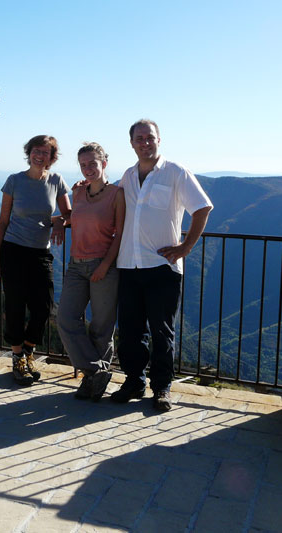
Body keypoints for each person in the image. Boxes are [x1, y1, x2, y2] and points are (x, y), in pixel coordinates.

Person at [111, 119, 213, 412]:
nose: (145, 142)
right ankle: (133, 381)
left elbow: (202, 208)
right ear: (131, 143)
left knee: (161, 330)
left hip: (162, 266)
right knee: (130, 330)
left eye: (150, 137)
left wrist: (186, 247)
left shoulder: (175, 172)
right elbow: (111, 204)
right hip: (129, 264)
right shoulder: (128, 176)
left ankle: (162, 388)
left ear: (159, 140)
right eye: (139, 138)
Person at [0, 135, 71, 386]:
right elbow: (3, 222)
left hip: (40, 253)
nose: (40, 156)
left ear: (52, 157)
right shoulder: (14, 181)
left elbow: (68, 214)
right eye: (36, 151)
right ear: (29, 153)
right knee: (15, 306)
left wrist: (59, 221)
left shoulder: (57, 181)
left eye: (45, 152)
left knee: (44, 307)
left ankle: (27, 351)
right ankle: (18, 359)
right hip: (13, 250)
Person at [57, 143, 125, 401]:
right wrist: (59, 221)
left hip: (103, 265)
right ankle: (98, 371)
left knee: (101, 327)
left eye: (92, 164)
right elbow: (75, 218)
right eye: (83, 165)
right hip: (76, 264)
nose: (88, 169)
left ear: (104, 163)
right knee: (66, 318)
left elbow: (119, 233)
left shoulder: (117, 194)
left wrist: (106, 265)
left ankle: (92, 384)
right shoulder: (79, 192)